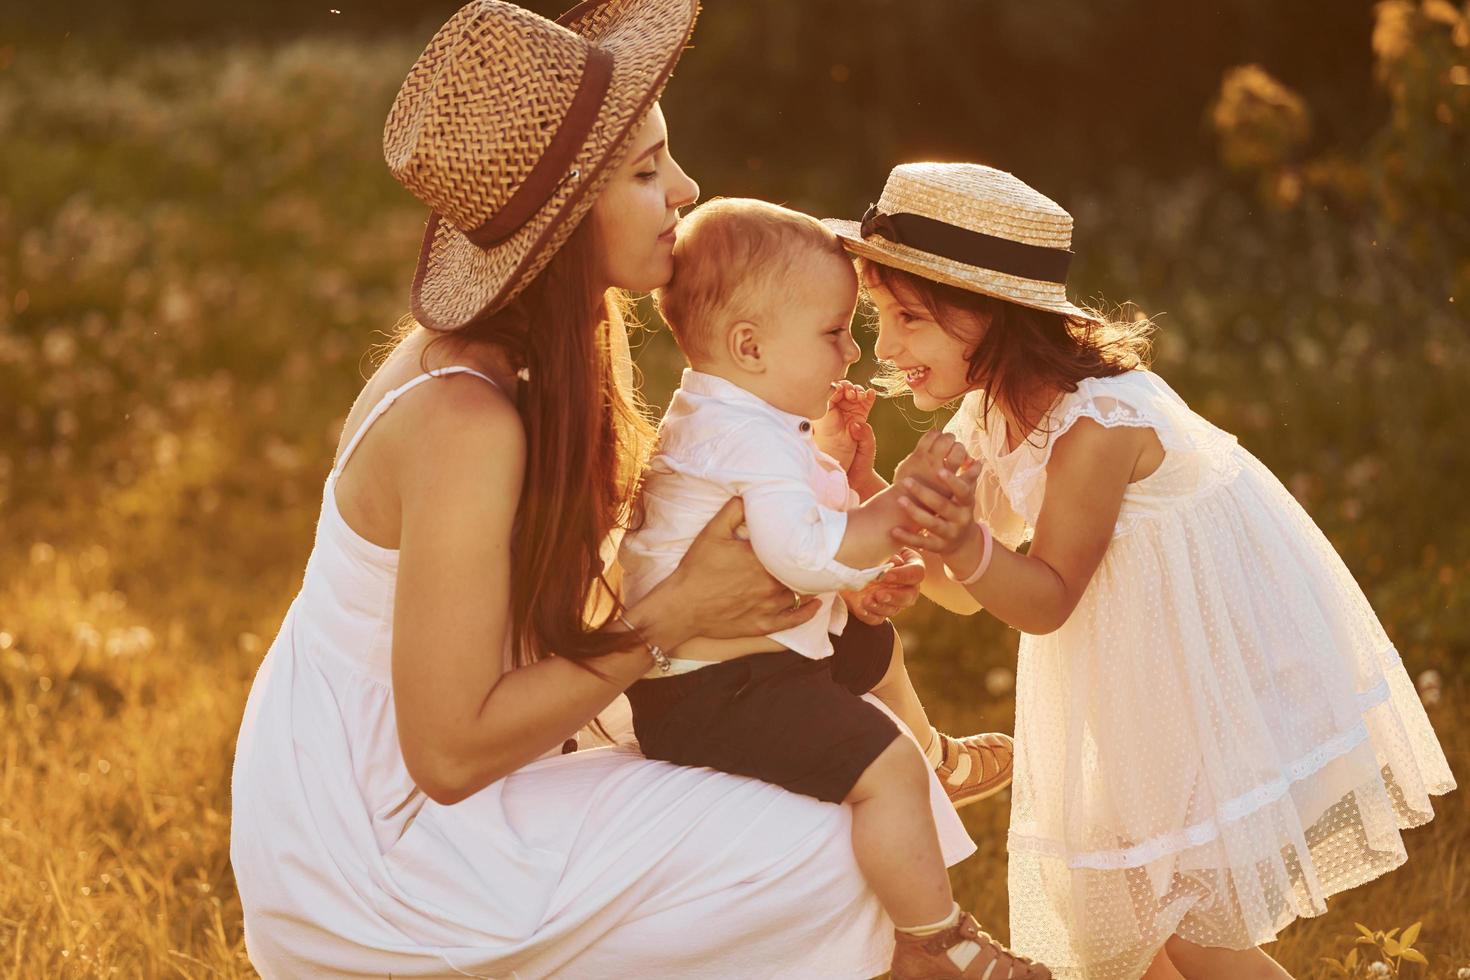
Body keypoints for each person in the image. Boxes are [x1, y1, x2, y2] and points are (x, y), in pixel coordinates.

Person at [230, 4, 965, 976]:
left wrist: (823, 535)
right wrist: (675, 615)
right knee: (826, 844)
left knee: (837, 776)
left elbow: (606, 589)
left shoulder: (568, 343)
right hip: (379, 847)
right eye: (647, 170)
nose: (689, 190)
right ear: (564, 221)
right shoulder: (463, 421)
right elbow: (446, 754)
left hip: (485, 769)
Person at [823, 163, 1457, 980]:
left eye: (910, 317)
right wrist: (880, 491)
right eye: (879, 316)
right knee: (1113, 929)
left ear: (997, 317)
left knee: (1183, 922)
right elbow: (970, 597)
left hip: (1207, 668)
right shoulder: (993, 410)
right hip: (1133, 677)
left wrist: (956, 541)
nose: (888, 345)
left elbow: (1043, 599)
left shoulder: (1099, 426)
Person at [619, 197, 1045, 980]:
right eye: (833, 333)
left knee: (869, 640)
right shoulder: (743, 435)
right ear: (751, 346)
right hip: (711, 691)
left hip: (739, 656)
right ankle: (932, 941)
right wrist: (897, 505)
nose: (853, 352)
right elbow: (802, 556)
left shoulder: (727, 408)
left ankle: (937, 756)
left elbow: (789, 513)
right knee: (885, 771)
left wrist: (837, 462)